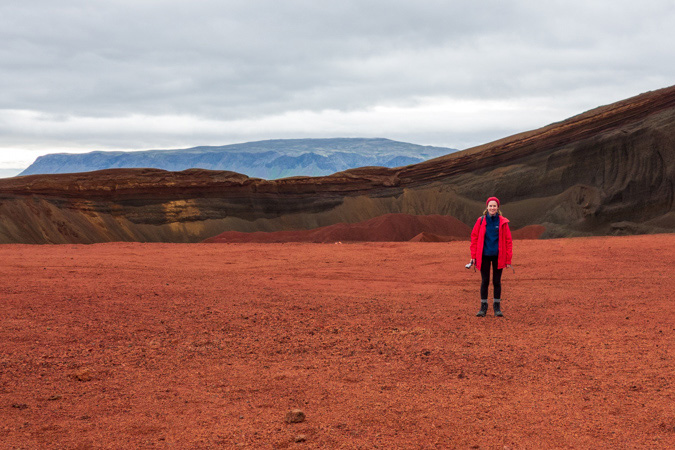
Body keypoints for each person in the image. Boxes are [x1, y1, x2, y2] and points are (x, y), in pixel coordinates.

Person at [469, 197, 513, 317]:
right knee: (485, 281)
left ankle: (497, 308)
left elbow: (508, 241)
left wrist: (508, 259)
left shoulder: (502, 222)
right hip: (484, 256)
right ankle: (483, 308)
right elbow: (474, 238)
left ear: (498, 207)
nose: (492, 208)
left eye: (494, 206)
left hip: (498, 256)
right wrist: (473, 256)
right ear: (487, 207)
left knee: (497, 282)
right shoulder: (481, 221)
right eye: (490, 206)